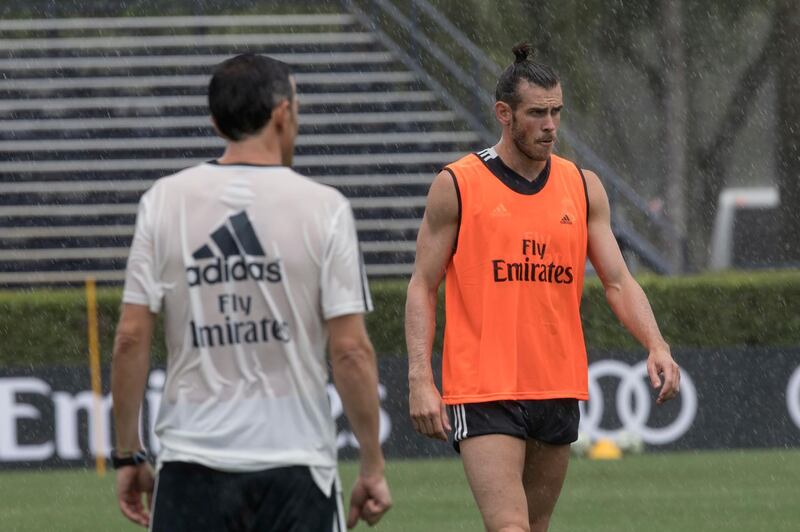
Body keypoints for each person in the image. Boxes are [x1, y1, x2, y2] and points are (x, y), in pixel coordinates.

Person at [405, 42, 680, 532]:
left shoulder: (582, 185)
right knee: (509, 527)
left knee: (534, 527)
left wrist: (656, 344)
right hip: (483, 387)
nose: (551, 125)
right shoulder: (458, 184)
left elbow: (617, 281)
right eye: (537, 113)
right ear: (504, 114)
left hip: (557, 383)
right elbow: (423, 285)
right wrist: (420, 378)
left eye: (556, 112)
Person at [111, 53, 391, 531]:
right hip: (296, 463)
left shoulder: (164, 201)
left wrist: (127, 453)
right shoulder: (325, 208)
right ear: (283, 113)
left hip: (192, 463)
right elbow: (350, 352)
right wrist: (372, 465)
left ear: (216, 122)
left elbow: (131, 339)